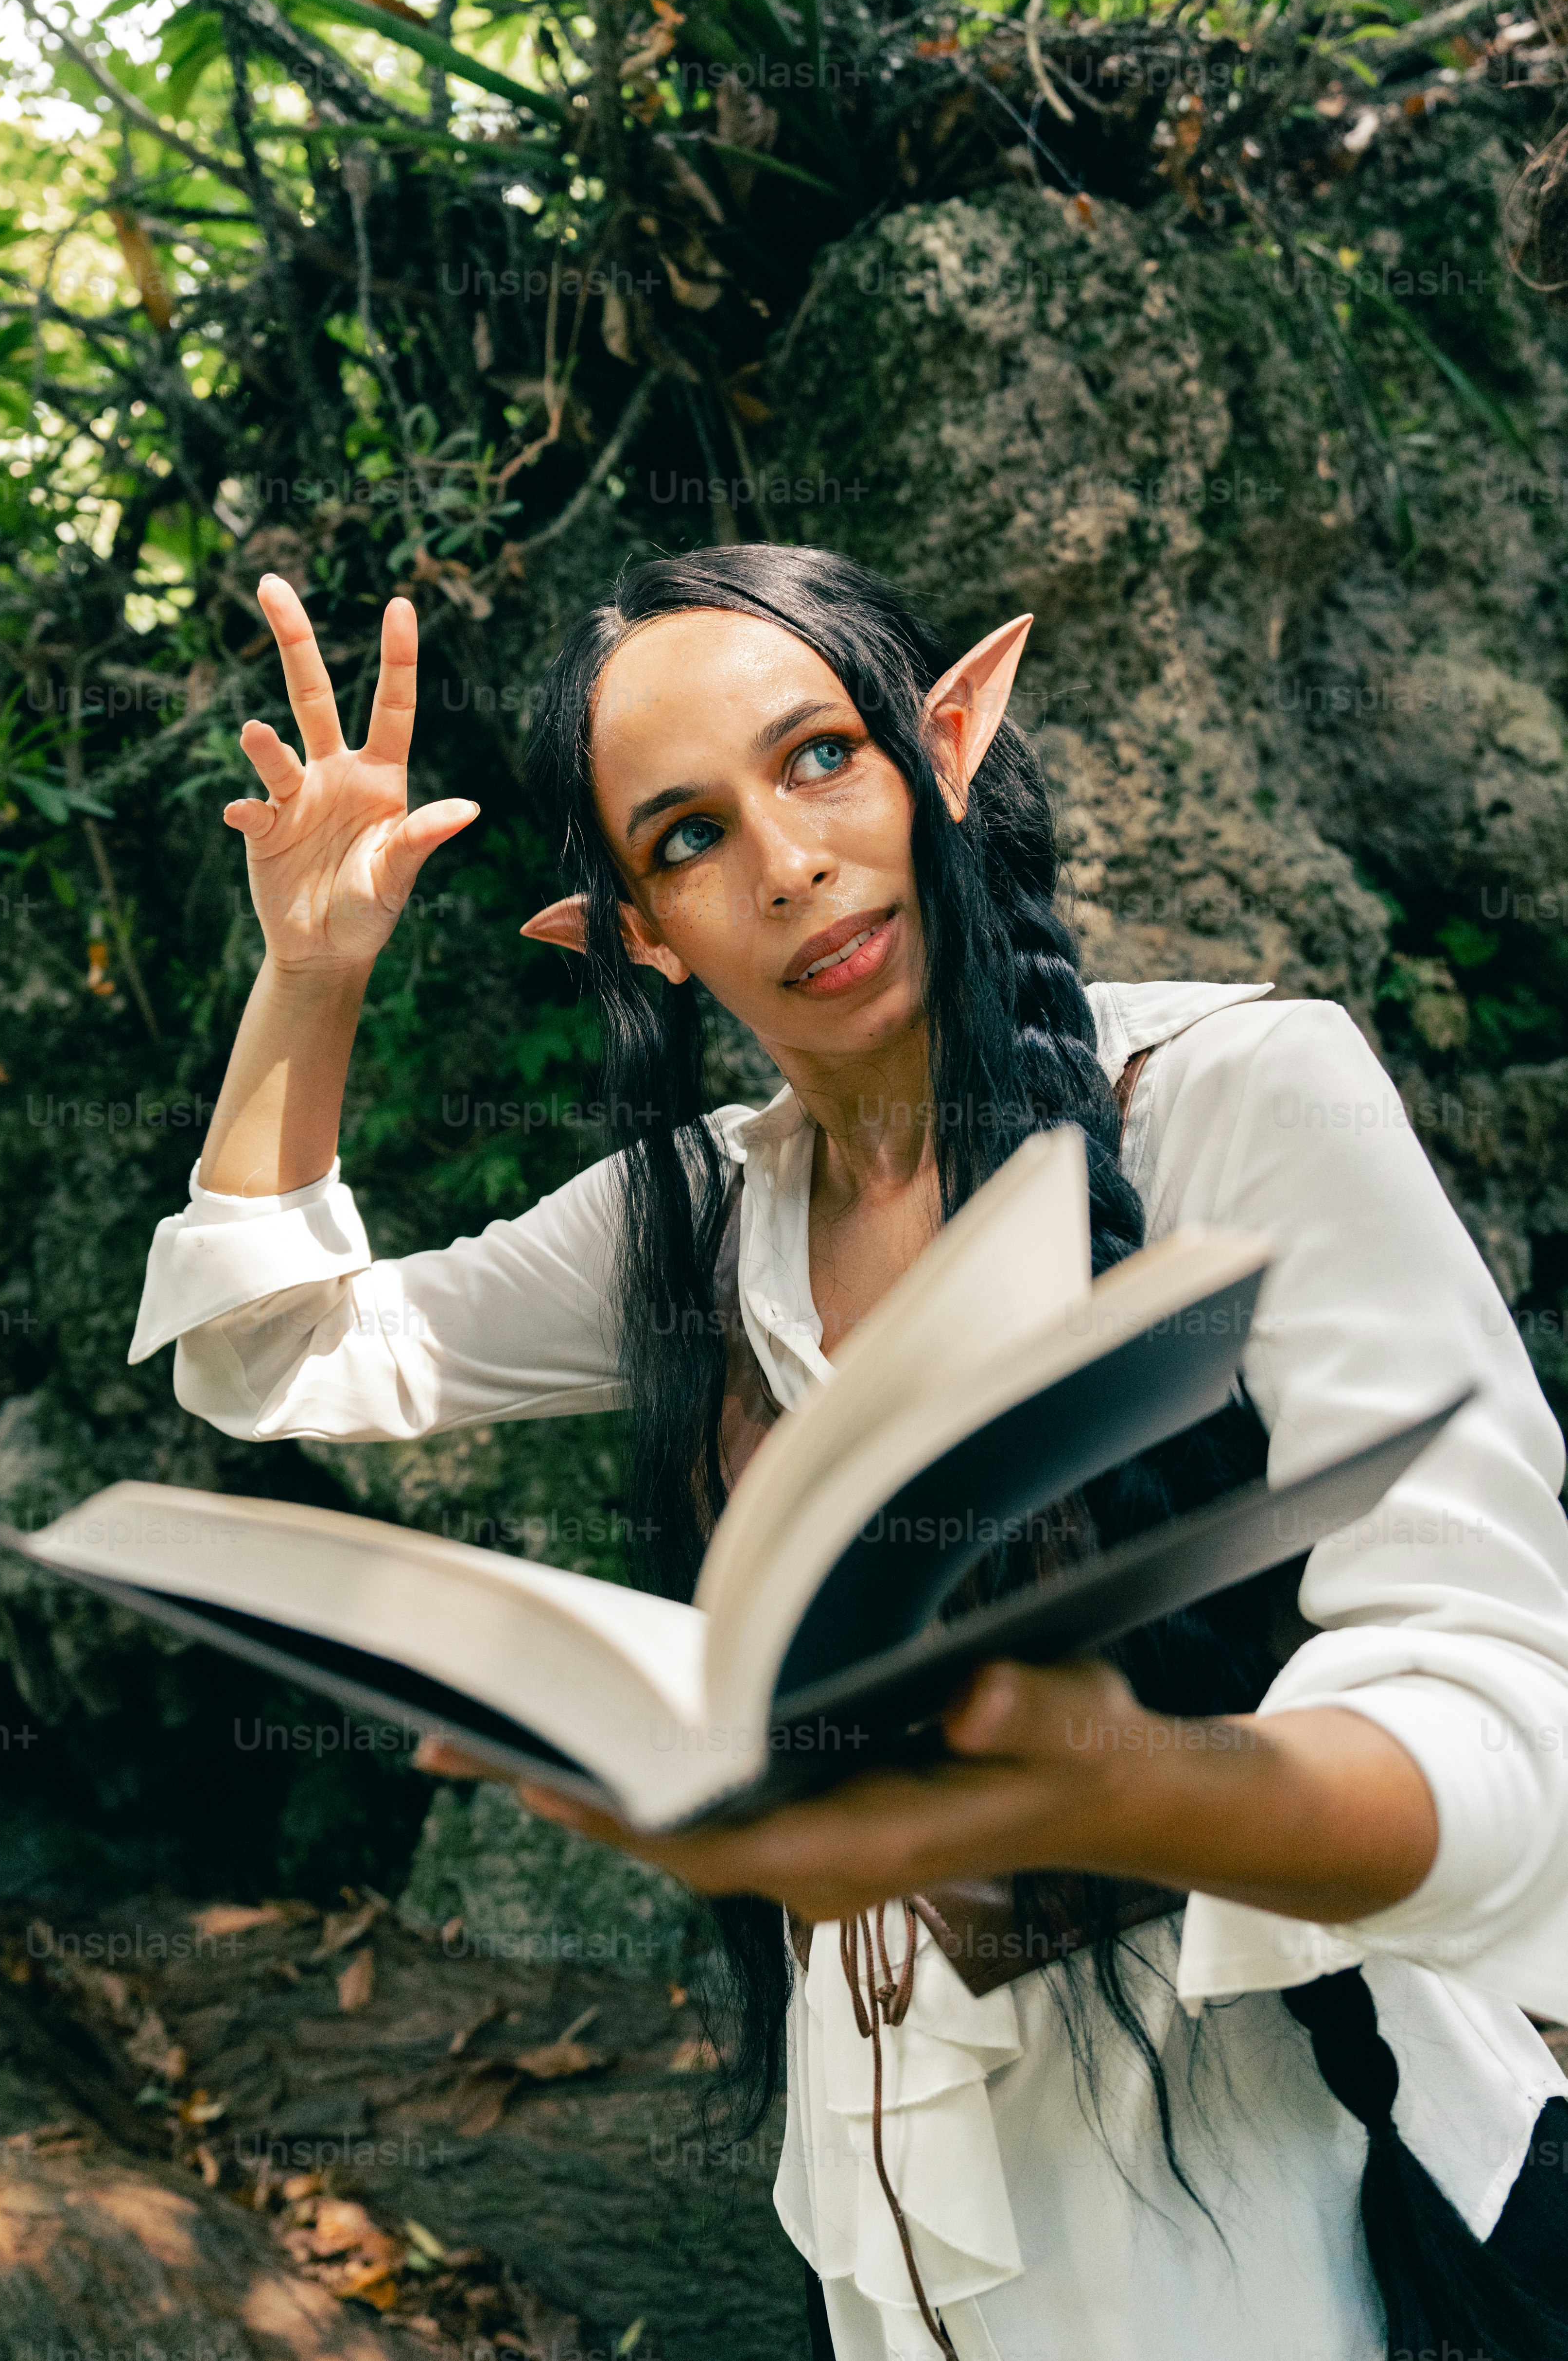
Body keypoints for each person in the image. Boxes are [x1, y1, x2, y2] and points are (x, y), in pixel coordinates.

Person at [130, 546, 1568, 2361]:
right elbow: (267, 1352)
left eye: (820, 757)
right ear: (638, 935)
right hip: (892, 2218)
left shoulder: (1234, 1097)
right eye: (685, 838)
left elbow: (1505, 1711)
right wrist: (311, 970)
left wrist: (1102, 1782)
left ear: (941, 747)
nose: (787, 862)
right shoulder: (691, 1223)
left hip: (1294, 2187)